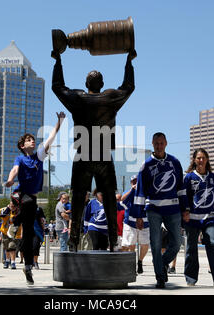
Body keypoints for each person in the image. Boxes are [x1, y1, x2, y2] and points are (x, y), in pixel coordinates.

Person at [52, 49, 136, 252]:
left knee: (79, 197)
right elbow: (129, 86)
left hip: (83, 155)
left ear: (87, 84)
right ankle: (113, 241)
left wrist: (58, 61)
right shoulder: (110, 99)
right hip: (103, 155)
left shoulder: (79, 99)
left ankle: (73, 241)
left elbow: (57, 87)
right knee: (108, 197)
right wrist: (128, 61)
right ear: (102, 84)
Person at [4, 111, 65, 285]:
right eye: (29, 140)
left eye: (33, 139)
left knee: (29, 232)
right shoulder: (20, 158)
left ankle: (28, 266)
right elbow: (14, 170)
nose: (32, 141)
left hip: (31, 197)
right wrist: (10, 179)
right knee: (28, 204)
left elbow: (50, 139)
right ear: (23, 146)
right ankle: (15, 222)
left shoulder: (39, 156)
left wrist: (59, 122)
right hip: (21, 194)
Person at [132, 132, 188, 288]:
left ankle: (161, 263)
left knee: (176, 244)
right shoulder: (146, 165)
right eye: (156, 143)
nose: (159, 146)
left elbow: (181, 188)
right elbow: (140, 192)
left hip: (173, 209)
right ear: (152, 144)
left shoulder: (175, 162)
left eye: (161, 143)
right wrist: (138, 215)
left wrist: (185, 208)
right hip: (153, 209)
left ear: (166, 143)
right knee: (155, 244)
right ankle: (160, 277)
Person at [183, 148, 214, 287]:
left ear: (207, 159)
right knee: (191, 247)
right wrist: (184, 211)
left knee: (212, 244)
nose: (201, 160)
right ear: (194, 160)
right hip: (192, 218)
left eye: (203, 158)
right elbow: (184, 196)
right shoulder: (189, 177)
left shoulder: (213, 177)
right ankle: (191, 279)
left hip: (210, 217)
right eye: (198, 158)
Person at [120, 175, 150, 274]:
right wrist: (133, 190)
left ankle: (140, 261)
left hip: (144, 221)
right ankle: (132, 265)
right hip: (130, 222)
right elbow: (122, 200)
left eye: (137, 181)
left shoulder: (147, 191)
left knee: (145, 244)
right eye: (133, 181)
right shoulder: (128, 192)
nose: (136, 183)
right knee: (130, 244)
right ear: (131, 183)